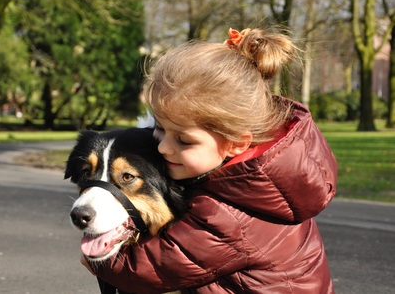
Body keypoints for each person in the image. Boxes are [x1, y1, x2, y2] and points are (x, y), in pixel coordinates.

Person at [82, 26, 338, 293]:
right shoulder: (242, 175)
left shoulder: (232, 212)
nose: (164, 148)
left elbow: (158, 267)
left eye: (184, 140)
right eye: (160, 129)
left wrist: (101, 259)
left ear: (237, 142)